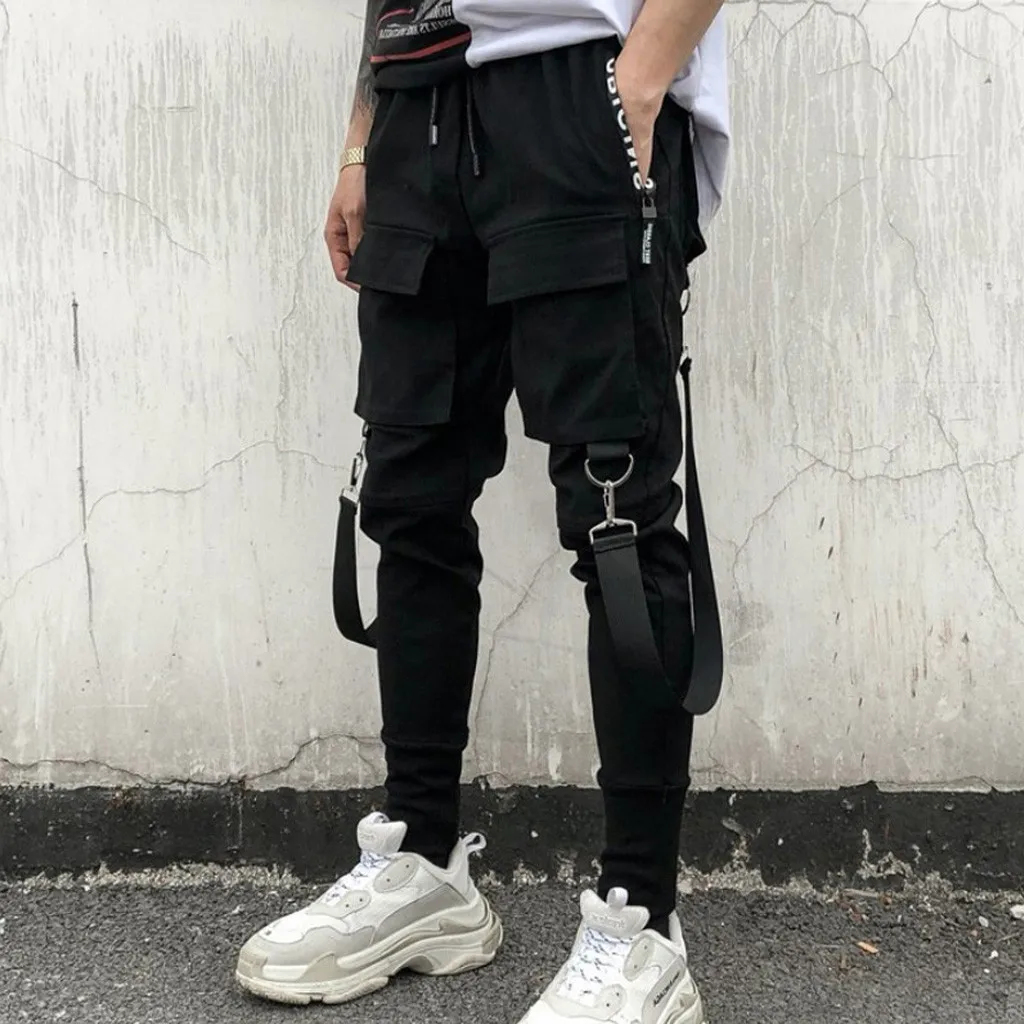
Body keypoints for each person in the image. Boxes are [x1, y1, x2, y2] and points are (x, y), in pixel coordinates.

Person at [236, 1, 729, 1020]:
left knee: (616, 514)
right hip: (417, 93)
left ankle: (642, 924)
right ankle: (423, 861)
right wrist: (363, 133)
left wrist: (640, 79)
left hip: (575, 83)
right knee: (409, 495)